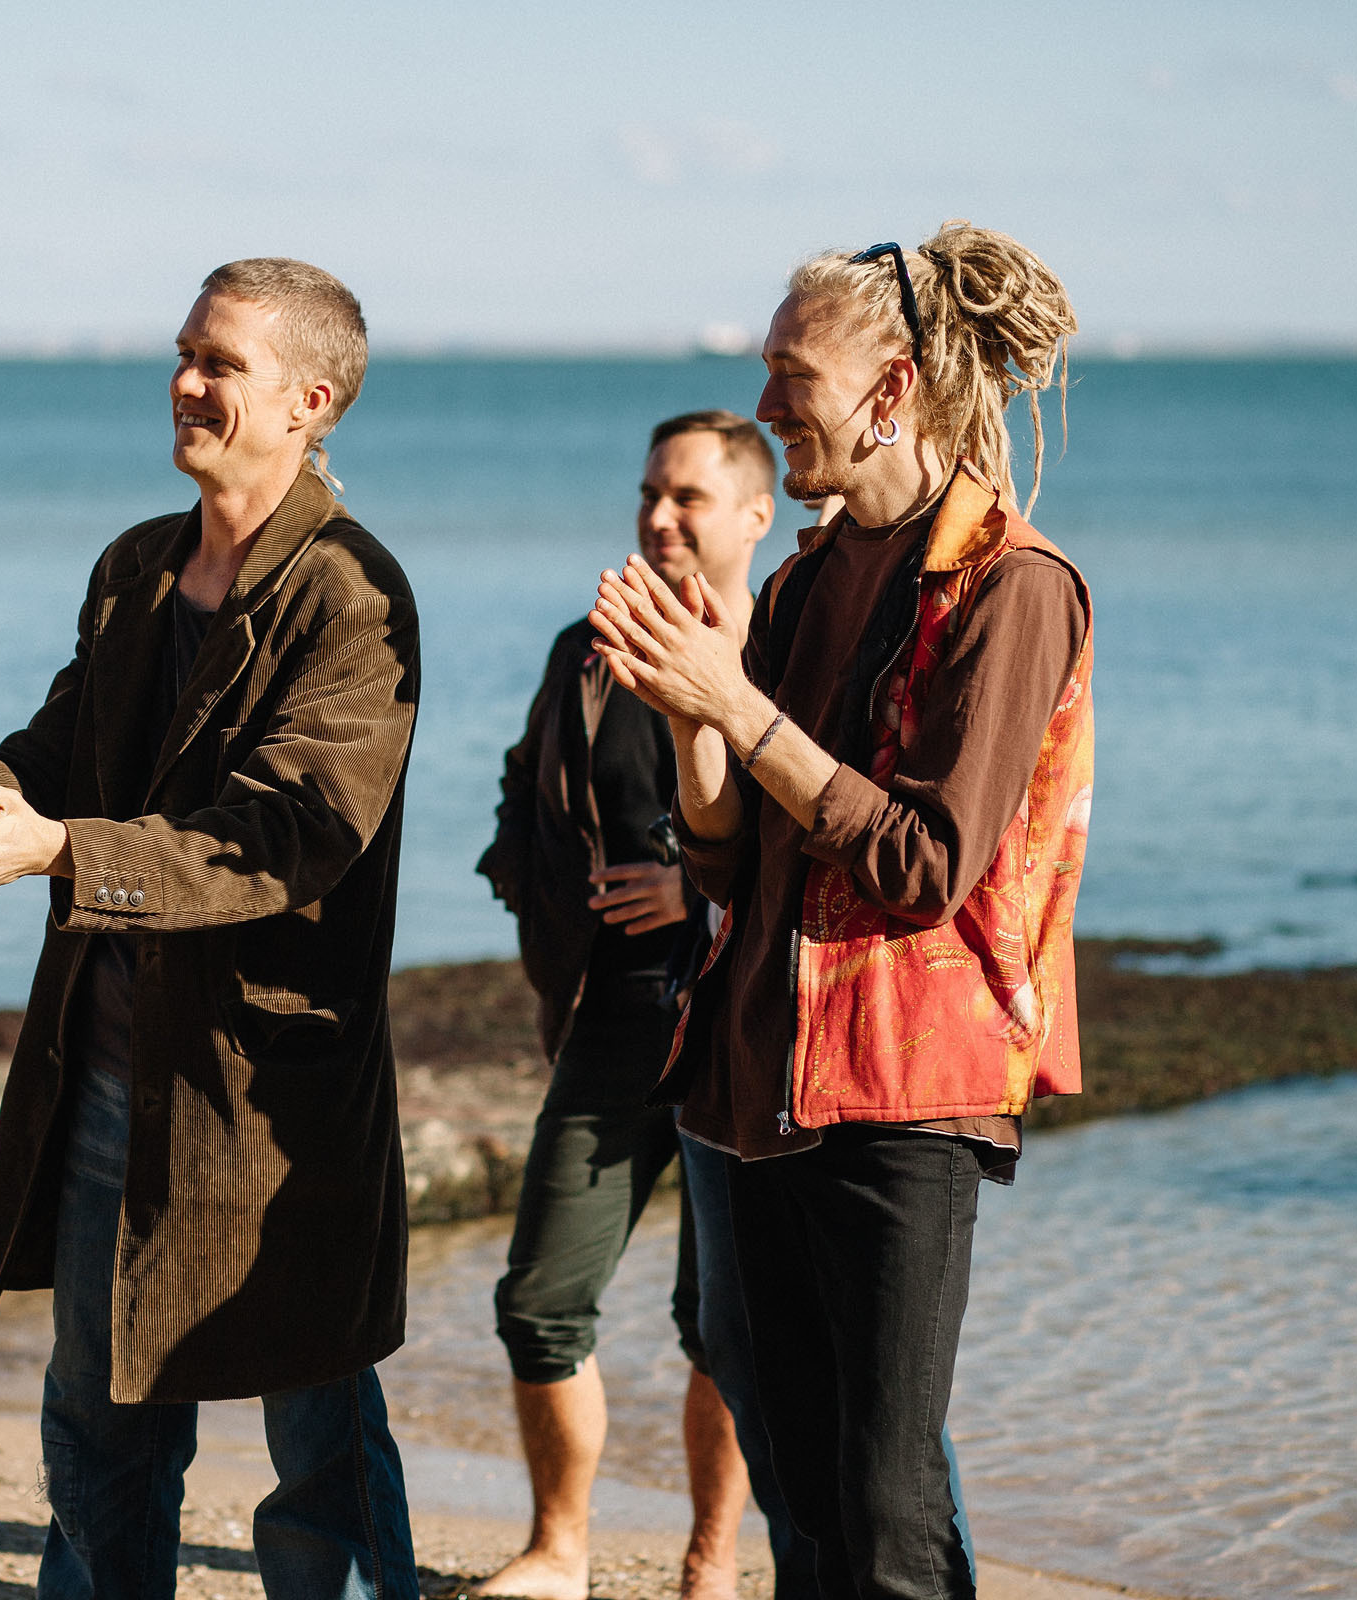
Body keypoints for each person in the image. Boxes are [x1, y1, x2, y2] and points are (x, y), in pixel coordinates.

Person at [0, 259, 421, 1600]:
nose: (186, 382)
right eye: (186, 353)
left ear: (312, 402)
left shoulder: (351, 596)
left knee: (319, 1451)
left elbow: (289, 835)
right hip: (102, 1080)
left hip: (272, 1104)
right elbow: (56, 761)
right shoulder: (136, 569)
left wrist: (59, 852)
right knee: (97, 1431)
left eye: (224, 365)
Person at [589, 220, 1092, 1600]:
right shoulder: (809, 579)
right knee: (803, 1489)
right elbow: (726, 865)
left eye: (788, 374)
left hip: (906, 1095)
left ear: (894, 392)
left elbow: (927, 859)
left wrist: (736, 705)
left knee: (882, 1500)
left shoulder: (1014, 587)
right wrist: (691, 717)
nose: (763, 406)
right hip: (754, 1078)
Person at [476, 411, 815, 1600]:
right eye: (648, 494)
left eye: (690, 498)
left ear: (756, 516)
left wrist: (698, 880)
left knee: (719, 1320)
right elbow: (529, 799)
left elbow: (828, 826)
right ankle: (558, 1549)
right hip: (611, 1015)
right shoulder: (590, 645)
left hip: (741, 1018)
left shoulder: (792, 644)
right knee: (539, 1301)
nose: (660, 517)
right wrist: (543, 937)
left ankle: (709, 1562)